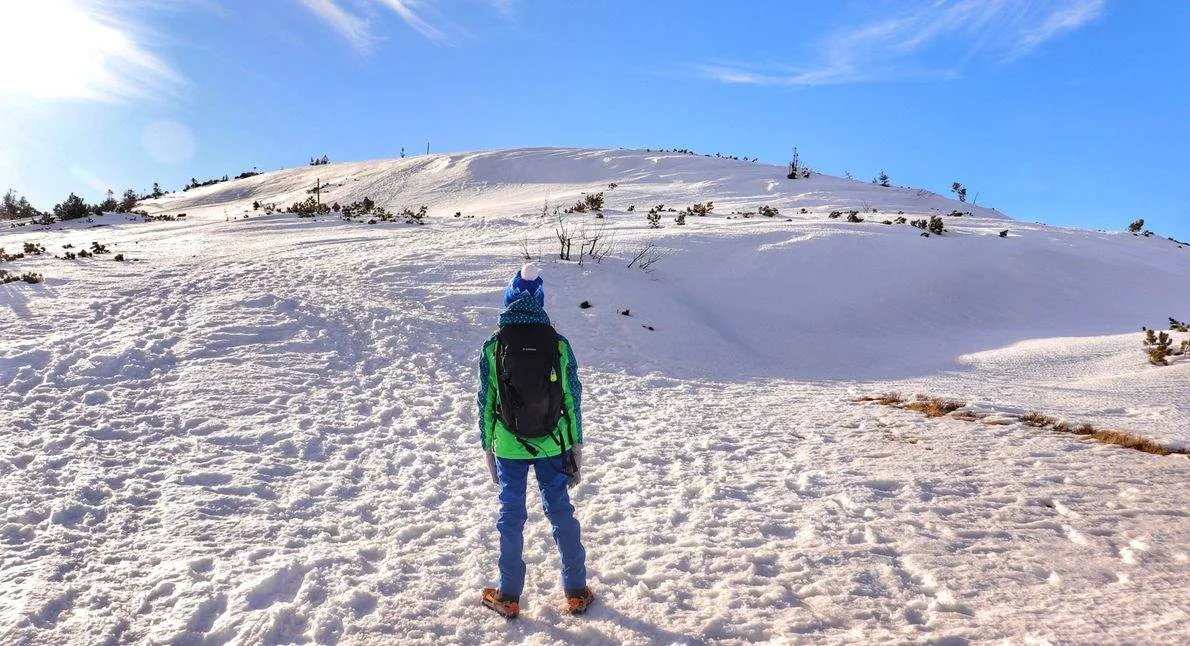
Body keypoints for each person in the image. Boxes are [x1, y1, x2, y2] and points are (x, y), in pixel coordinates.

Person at [477, 263, 593, 618]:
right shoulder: (557, 343)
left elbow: (486, 400)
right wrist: (576, 444)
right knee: (560, 511)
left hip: (508, 445)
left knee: (511, 515)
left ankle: (508, 594)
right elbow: (572, 395)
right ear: (539, 303)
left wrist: (487, 446)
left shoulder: (494, 345)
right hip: (553, 442)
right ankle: (576, 590)